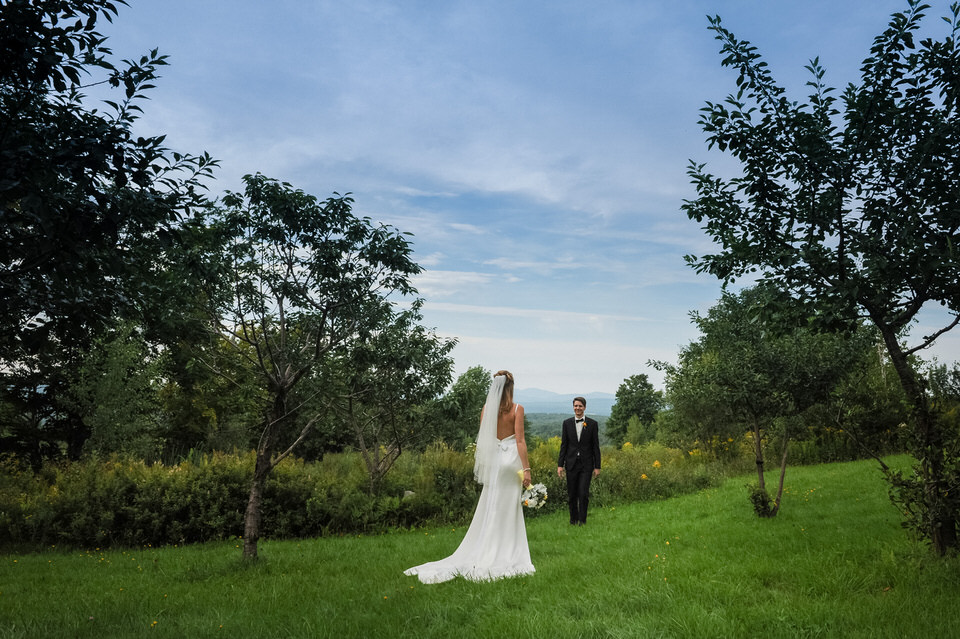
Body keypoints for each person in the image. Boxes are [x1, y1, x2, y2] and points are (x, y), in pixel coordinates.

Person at [404, 370, 535, 583]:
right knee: (508, 507)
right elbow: (520, 441)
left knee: (492, 504)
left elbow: (485, 439)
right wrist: (527, 469)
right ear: (511, 387)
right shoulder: (517, 409)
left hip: (494, 464)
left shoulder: (486, 409)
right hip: (510, 463)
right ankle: (507, 550)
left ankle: (487, 546)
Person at [557, 396, 601, 525]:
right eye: (576, 406)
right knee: (572, 494)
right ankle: (573, 520)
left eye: (580, 406)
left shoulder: (593, 424)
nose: (578, 408)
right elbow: (564, 445)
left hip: (586, 465)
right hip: (571, 464)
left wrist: (597, 466)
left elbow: (595, 447)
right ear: (573, 407)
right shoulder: (567, 423)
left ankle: (582, 520)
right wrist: (560, 465)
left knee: (583, 494)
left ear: (584, 407)